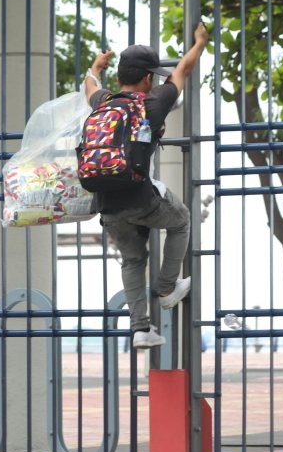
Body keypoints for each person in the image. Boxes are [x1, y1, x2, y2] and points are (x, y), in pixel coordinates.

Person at [83, 23, 210, 350]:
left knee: (133, 260)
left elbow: (89, 86)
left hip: (106, 201)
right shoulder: (152, 103)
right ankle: (167, 289)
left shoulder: (104, 102)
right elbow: (184, 68)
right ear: (147, 78)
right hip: (139, 196)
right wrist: (199, 43)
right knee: (180, 220)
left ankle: (140, 328)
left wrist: (96, 66)